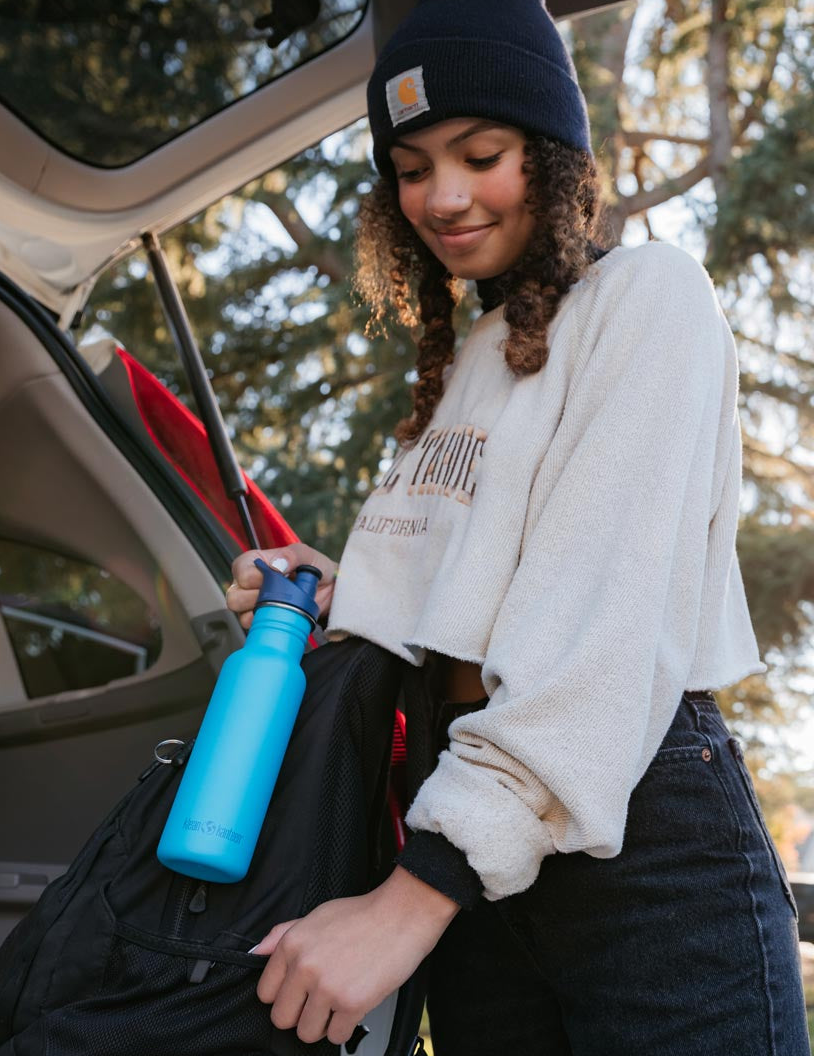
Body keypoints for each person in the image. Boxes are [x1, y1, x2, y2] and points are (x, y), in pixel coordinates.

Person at [226, 0, 810, 1052]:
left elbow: (598, 624)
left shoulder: (648, 297)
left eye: (480, 153)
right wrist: (328, 587)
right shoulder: (471, 363)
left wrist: (413, 900)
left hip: (635, 829)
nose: (443, 197)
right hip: (472, 829)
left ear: (553, 157)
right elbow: (480, 602)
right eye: (410, 168)